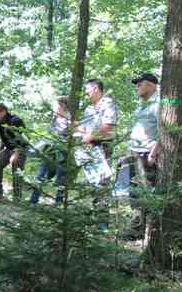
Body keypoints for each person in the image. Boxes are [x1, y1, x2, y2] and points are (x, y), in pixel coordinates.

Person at [78, 79, 118, 229]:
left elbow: (108, 126)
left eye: (87, 89)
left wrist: (91, 136)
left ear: (95, 89)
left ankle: (102, 225)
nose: (86, 93)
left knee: (102, 183)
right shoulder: (88, 109)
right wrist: (76, 128)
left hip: (103, 146)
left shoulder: (107, 104)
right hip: (88, 148)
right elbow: (84, 128)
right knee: (92, 182)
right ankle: (95, 219)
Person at [128, 72, 159, 238]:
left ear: (151, 85)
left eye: (140, 84)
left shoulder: (159, 103)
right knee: (134, 190)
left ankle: (144, 230)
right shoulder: (144, 104)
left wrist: (154, 152)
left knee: (146, 191)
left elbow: (164, 130)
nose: (137, 87)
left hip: (146, 153)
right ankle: (137, 227)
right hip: (135, 152)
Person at [30, 96, 70, 205]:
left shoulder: (68, 120)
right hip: (49, 152)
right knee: (40, 176)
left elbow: (67, 138)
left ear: (62, 106)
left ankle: (59, 203)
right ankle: (33, 201)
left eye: (56, 105)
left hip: (62, 154)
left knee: (60, 179)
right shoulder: (55, 119)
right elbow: (49, 135)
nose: (54, 107)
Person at [0, 103, 28, 200]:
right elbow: (4, 137)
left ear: (4, 111)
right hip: (9, 149)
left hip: (20, 149)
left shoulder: (15, 120)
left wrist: (17, 153)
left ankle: (17, 197)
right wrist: (1, 150)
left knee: (17, 171)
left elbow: (23, 138)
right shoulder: (0, 121)